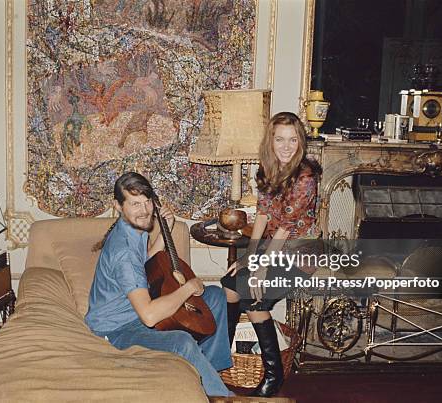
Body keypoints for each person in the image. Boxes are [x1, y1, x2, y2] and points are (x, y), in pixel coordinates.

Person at [85, 172, 233, 397]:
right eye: (135, 204)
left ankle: (209, 375)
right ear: (117, 205)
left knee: (215, 297)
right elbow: (149, 316)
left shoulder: (134, 228)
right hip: (116, 329)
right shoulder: (122, 252)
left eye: (147, 202)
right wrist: (188, 288)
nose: (144, 211)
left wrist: (167, 228)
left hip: (135, 312)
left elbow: (143, 262)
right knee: (181, 341)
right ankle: (221, 397)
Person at [220, 112, 321, 397]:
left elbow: (285, 230)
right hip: (273, 248)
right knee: (229, 286)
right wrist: (248, 257)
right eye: (280, 139)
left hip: (300, 253)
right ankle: (223, 358)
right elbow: (262, 217)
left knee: (254, 298)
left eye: (292, 140)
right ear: (271, 140)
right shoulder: (266, 169)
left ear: (300, 142)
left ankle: (273, 374)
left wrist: (260, 267)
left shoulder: (306, 177)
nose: (286, 146)